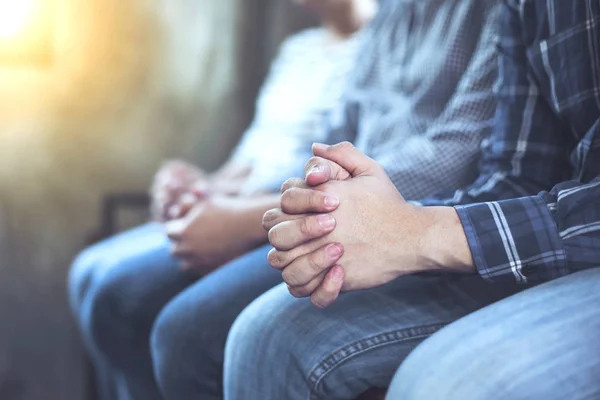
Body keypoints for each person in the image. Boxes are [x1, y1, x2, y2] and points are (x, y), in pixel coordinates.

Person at [227, 0, 600, 399]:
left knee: (440, 385)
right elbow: (520, 175)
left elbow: (454, 150)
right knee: (269, 335)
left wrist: (415, 233)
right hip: (546, 230)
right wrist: (359, 216)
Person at [150, 0, 501, 399]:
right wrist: (234, 194)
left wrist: (252, 219)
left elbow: (455, 154)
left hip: (398, 216)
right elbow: (336, 131)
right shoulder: (390, 13)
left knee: (185, 331)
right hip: (336, 205)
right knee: (125, 294)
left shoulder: (492, 12)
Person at [67, 1, 374, 399]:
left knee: (121, 297)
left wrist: (237, 220)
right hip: (243, 201)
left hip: (280, 210)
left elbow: (341, 174)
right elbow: (248, 157)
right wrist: (199, 187)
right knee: (88, 269)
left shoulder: (374, 47)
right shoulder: (298, 50)